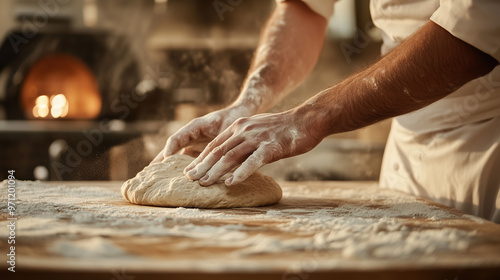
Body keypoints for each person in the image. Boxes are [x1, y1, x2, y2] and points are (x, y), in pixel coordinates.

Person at [152, 0, 500, 222]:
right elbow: (305, 8)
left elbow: (473, 36)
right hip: (408, 147)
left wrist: (309, 118)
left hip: (488, 141)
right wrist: (249, 101)